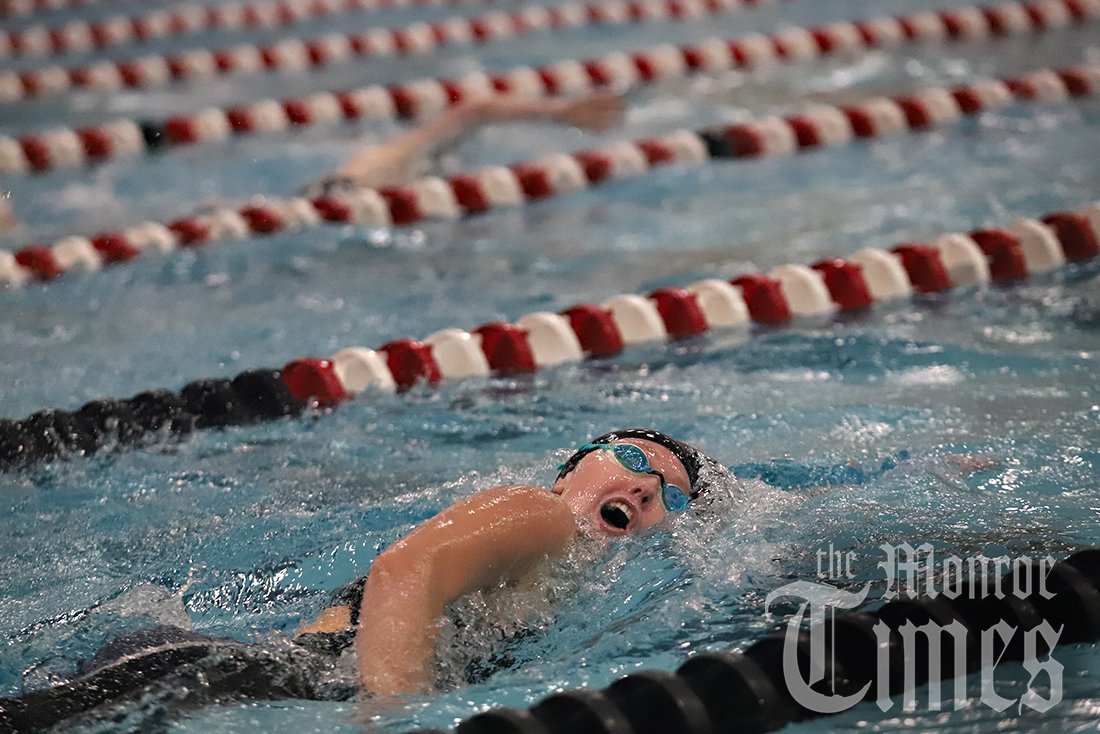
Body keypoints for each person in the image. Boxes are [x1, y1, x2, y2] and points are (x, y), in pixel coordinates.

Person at [0, 428, 726, 730]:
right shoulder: (540, 515)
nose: (643, 489)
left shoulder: (574, 572)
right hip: (236, 677)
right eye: (630, 462)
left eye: (671, 493)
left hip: (231, 669)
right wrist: (390, 716)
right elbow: (408, 569)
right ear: (572, 469)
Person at [301, 89, 626, 198]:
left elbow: (475, 110)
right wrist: (562, 111)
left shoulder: (387, 164)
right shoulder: (373, 170)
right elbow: (475, 110)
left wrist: (562, 112)